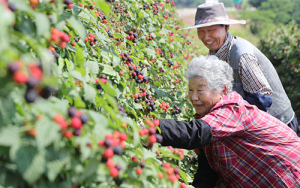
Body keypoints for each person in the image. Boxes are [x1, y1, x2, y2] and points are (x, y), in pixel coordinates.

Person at [157, 55, 300, 187]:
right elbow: (207, 175)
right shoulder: (208, 120)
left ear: (222, 90)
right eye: (190, 90)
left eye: (200, 90)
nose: (193, 97)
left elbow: (195, 132)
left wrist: (151, 127)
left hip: (291, 175)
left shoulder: (233, 109)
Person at [181, 2, 299, 133]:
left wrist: (231, 123)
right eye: (201, 31)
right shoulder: (214, 53)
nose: (206, 37)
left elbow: (262, 100)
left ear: (226, 28)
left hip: (278, 123)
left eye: (211, 30)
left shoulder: (242, 55)